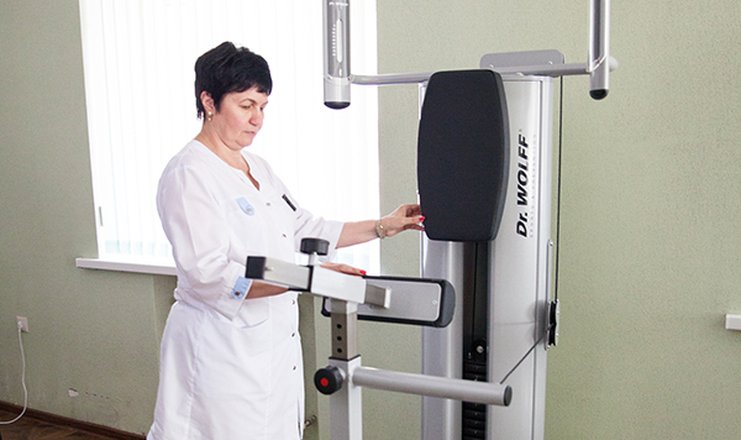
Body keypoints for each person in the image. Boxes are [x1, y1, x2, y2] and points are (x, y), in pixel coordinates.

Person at [147, 41, 424, 440]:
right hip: (220, 352)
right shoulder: (189, 174)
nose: (257, 119)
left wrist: (383, 226)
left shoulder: (257, 167)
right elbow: (209, 276)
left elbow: (304, 228)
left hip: (272, 351)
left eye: (263, 106)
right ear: (209, 102)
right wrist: (308, 278)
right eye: (246, 105)